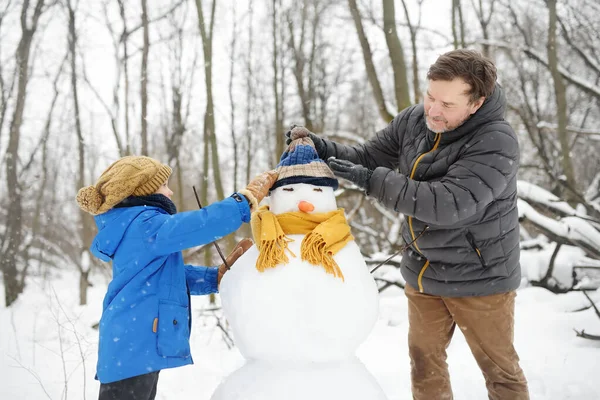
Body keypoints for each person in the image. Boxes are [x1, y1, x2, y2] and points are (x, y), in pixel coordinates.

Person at [286, 49, 529, 399]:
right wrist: (321, 148)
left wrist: (373, 180)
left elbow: (448, 203)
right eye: (430, 97)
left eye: (447, 104)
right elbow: (368, 158)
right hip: (425, 270)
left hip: (481, 277)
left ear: (476, 103)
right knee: (424, 364)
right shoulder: (415, 120)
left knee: (500, 372)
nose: (433, 109)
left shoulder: (496, 140)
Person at [76, 155, 277, 400]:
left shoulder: (135, 227)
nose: (170, 192)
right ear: (145, 191)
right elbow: (201, 224)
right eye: (164, 185)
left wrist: (214, 278)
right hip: (134, 344)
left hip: (131, 344)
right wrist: (244, 201)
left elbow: (167, 276)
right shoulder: (145, 225)